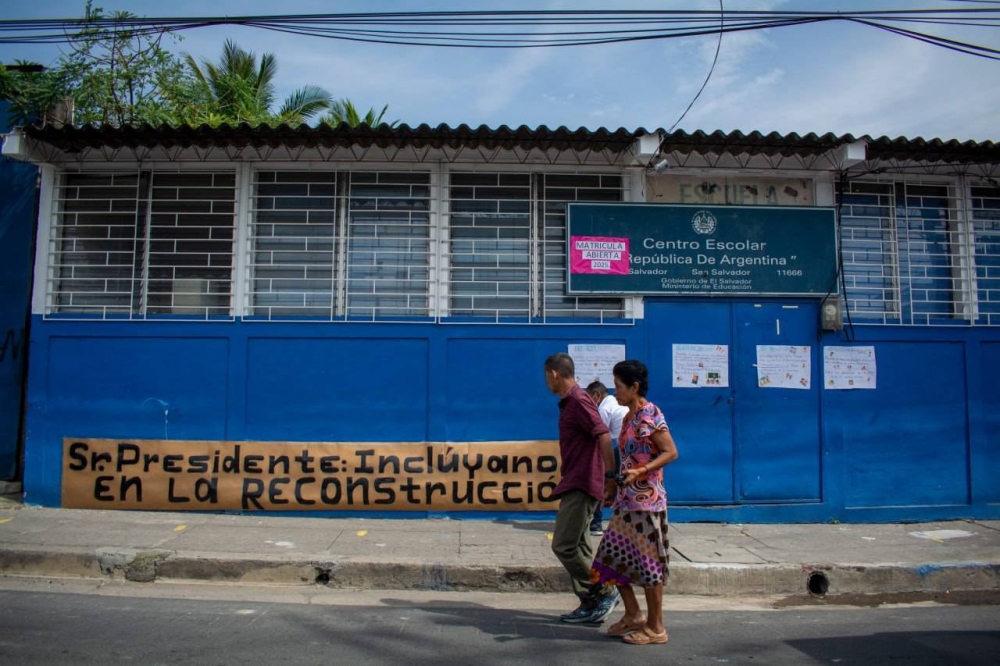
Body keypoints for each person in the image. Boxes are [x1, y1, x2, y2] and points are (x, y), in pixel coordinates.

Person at [591, 359, 679, 646]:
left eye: (618, 386)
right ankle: (633, 614)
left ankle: (656, 628)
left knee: (648, 566)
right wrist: (611, 488)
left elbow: (670, 452)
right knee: (610, 561)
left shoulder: (650, 414)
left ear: (634, 386)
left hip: (647, 504)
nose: (614, 391)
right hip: (626, 502)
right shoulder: (629, 417)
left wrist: (641, 471)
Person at [543, 352, 620, 624]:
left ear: (554, 374)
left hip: (583, 482)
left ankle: (604, 590)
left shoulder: (577, 399)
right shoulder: (572, 401)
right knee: (581, 547)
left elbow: (602, 434)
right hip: (578, 480)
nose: (546, 382)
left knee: (563, 545)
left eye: (546, 377)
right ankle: (590, 603)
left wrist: (610, 477)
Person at [586, 380, 628, 537]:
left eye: (590, 398)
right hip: (626, 448)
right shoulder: (618, 404)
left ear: (597, 395)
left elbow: (600, 436)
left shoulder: (603, 409)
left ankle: (595, 524)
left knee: (600, 484)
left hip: (616, 448)